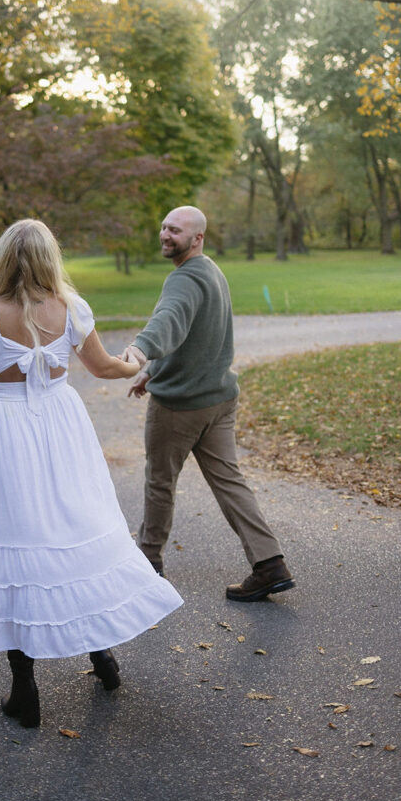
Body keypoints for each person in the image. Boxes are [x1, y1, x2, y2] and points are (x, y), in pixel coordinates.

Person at [0, 219, 182, 729]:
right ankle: (102, 657)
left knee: (19, 538)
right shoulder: (72, 308)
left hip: (6, 428)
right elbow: (105, 367)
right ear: (50, 258)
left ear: (3, 257)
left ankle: (26, 690)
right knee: (75, 531)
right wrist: (137, 365)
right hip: (63, 425)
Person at [122, 205, 295, 602]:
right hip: (219, 399)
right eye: (164, 226)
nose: (166, 235)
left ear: (197, 237)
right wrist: (154, 371)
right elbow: (192, 332)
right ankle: (270, 565)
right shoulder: (210, 271)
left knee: (160, 482)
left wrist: (140, 351)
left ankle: (147, 563)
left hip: (180, 408)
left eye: (176, 230)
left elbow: (168, 320)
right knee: (230, 482)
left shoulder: (183, 281)